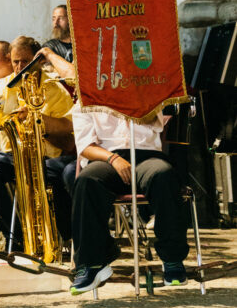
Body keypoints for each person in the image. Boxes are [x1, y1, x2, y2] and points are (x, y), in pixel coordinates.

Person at [0, 37, 74, 238]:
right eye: (15, 61)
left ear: (38, 61)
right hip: (10, 153)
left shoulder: (54, 90)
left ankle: (10, 234)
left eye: (25, 61)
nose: (19, 67)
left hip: (41, 156)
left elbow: (67, 132)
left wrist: (35, 118)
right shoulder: (7, 85)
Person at [69, 104, 189, 294]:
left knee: (164, 175)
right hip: (106, 158)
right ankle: (92, 264)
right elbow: (85, 147)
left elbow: (153, 120)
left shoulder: (144, 88)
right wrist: (113, 159)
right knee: (87, 180)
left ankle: (173, 259)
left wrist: (129, 97)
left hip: (147, 157)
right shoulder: (85, 100)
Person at [40, 5, 75, 80]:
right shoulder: (48, 47)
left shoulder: (81, 44)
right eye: (53, 18)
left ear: (70, 19)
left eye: (61, 18)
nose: (56, 22)